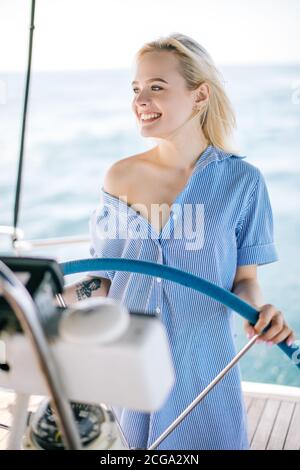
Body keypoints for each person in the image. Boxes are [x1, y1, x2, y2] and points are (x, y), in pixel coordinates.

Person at [62, 33, 295, 450]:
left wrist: (260, 310)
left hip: (203, 372)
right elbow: (104, 280)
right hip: (128, 369)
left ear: (200, 95)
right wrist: (35, 301)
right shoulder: (119, 178)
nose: (140, 99)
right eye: (136, 88)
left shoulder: (243, 182)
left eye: (156, 87)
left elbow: (244, 281)